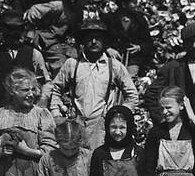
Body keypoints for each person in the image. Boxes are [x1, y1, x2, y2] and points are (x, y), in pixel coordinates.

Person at [48, 17, 139, 151]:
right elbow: (56, 89)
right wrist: (56, 114)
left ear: (105, 41)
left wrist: (118, 115)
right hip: (76, 123)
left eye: (98, 38)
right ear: (83, 41)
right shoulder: (72, 65)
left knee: (98, 165)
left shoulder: (113, 66)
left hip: (101, 126)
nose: (94, 42)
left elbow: (132, 94)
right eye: (89, 38)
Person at [25, 0, 93, 75]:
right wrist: (30, 30)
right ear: (74, 0)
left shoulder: (78, 12)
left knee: (79, 59)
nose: (87, 2)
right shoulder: (58, 6)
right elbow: (34, 10)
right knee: (61, 64)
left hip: (61, 41)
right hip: (47, 38)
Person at [104, 0, 156, 78]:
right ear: (124, 3)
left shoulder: (140, 20)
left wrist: (139, 47)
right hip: (111, 59)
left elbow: (149, 43)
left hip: (132, 60)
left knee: (129, 82)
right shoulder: (109, 19)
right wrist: (108, 49)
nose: (136, 5)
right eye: (133, 2)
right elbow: (100, 38)